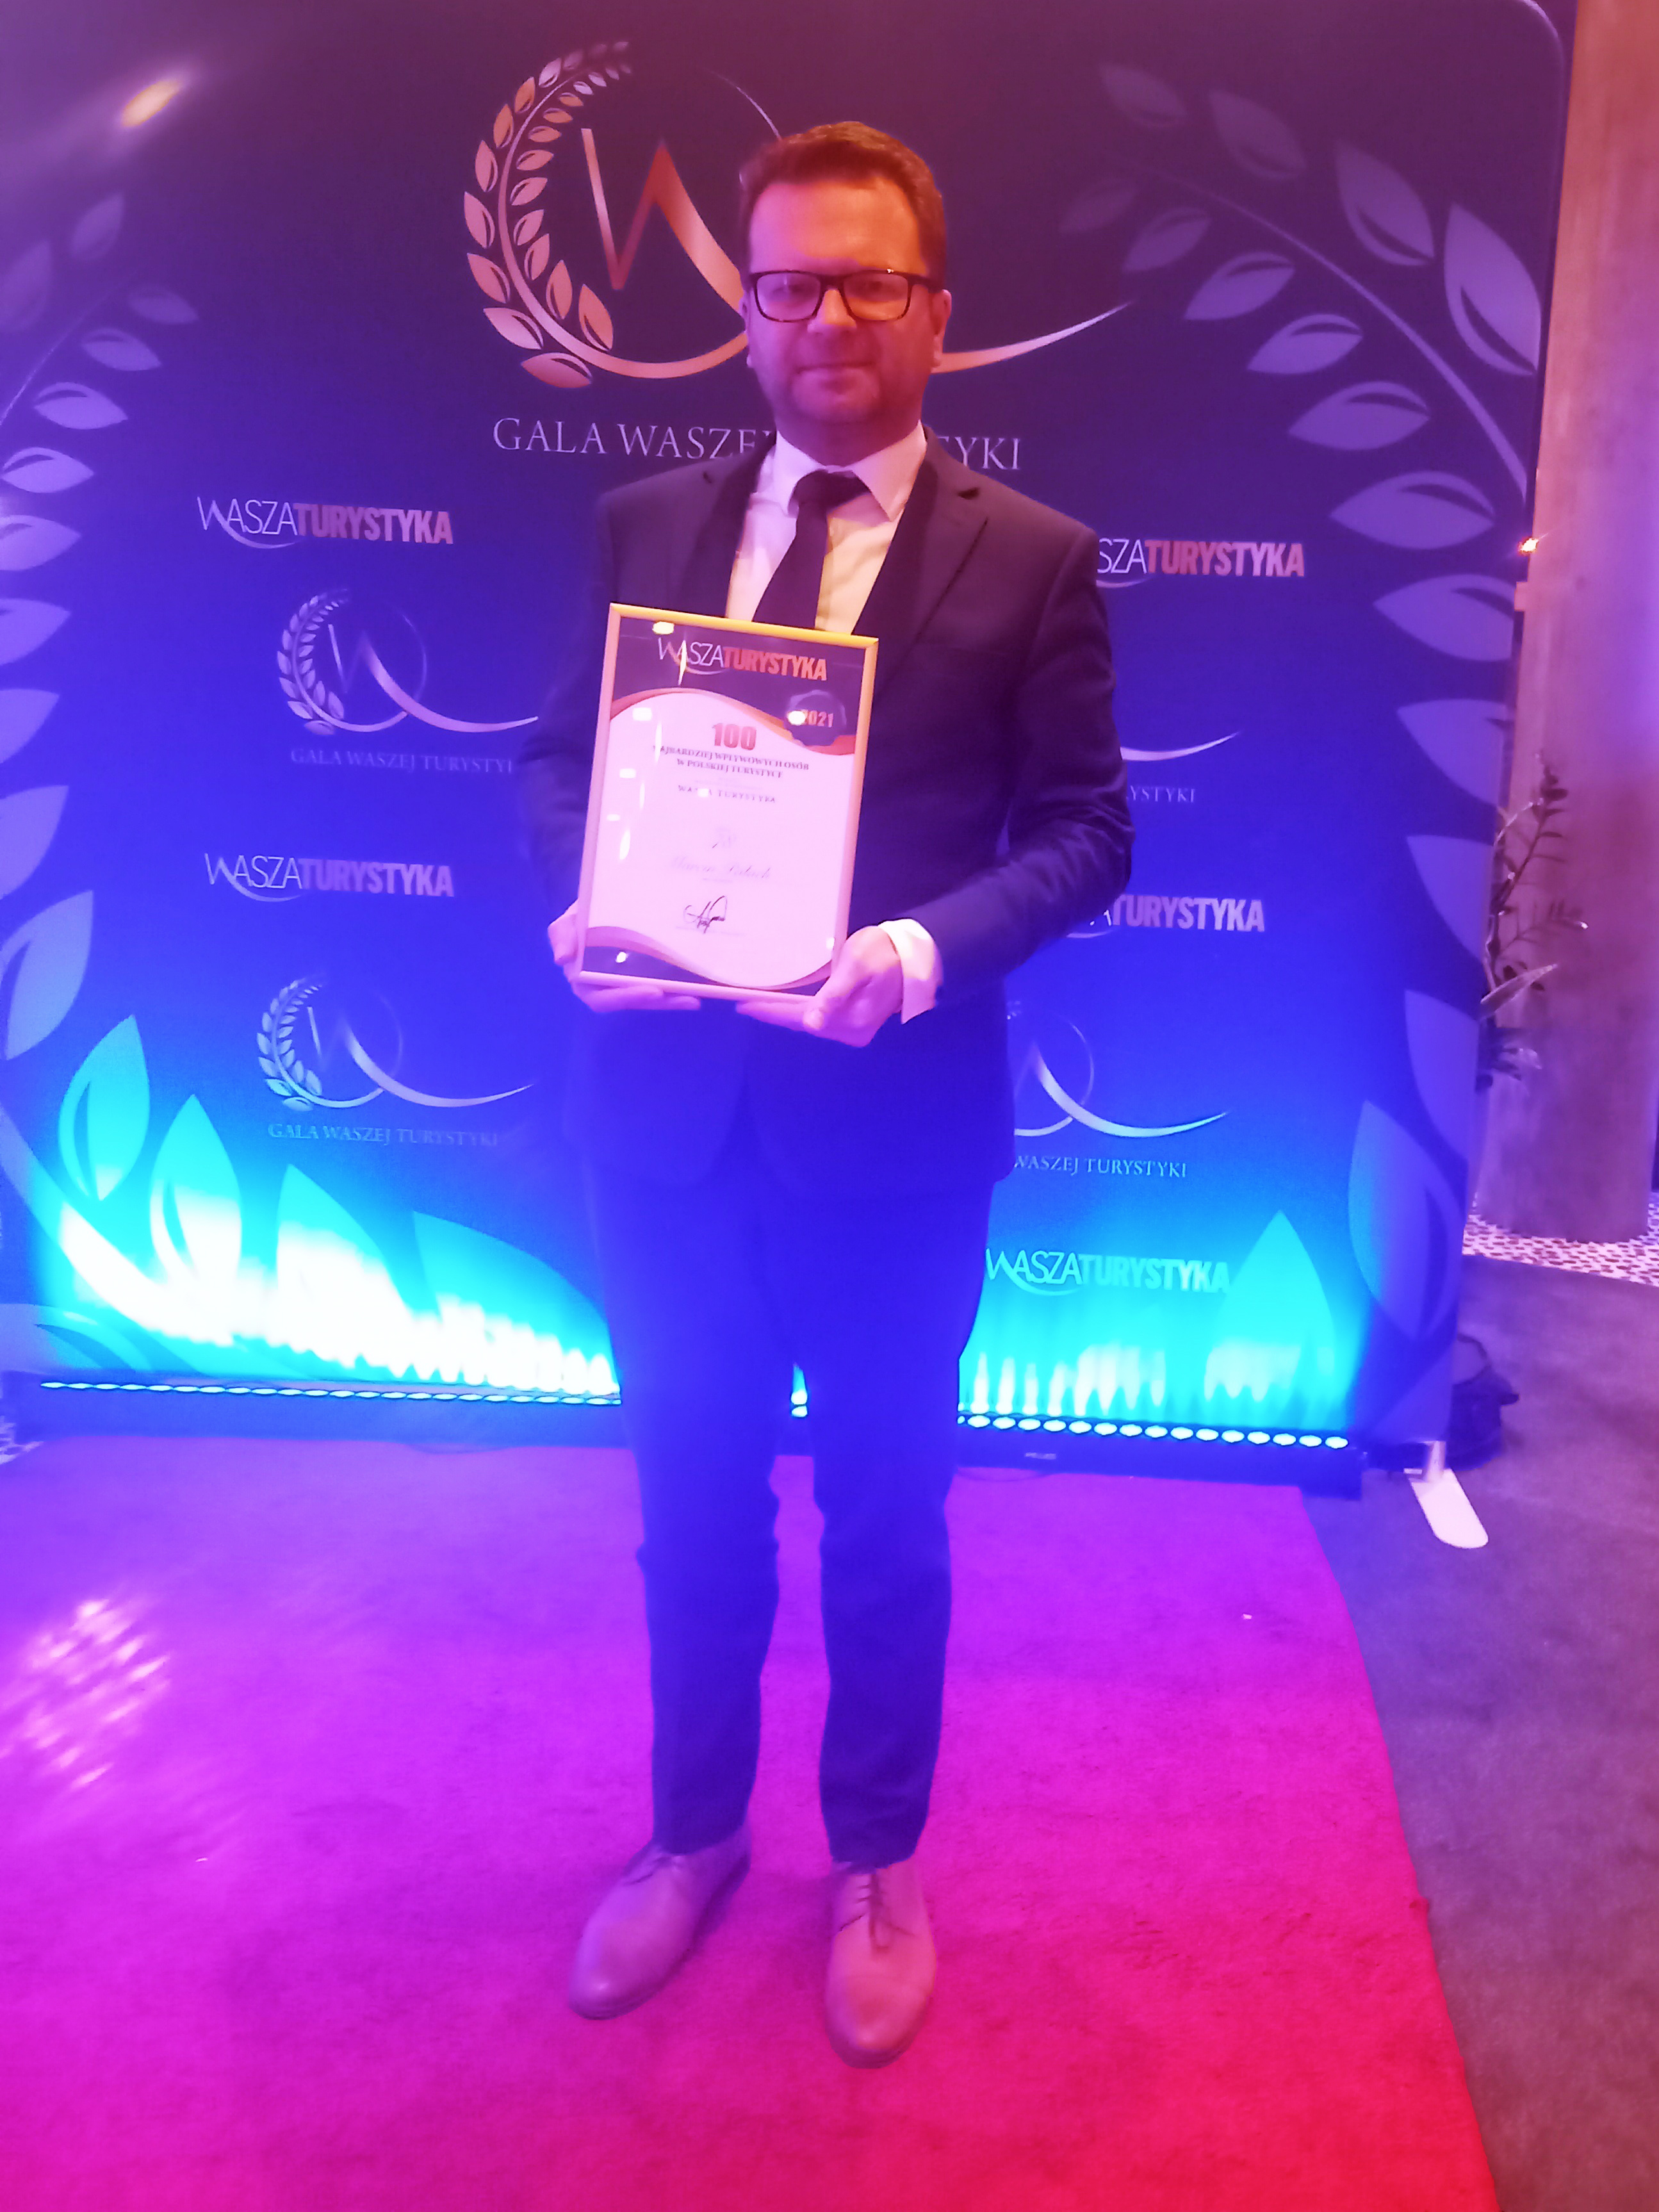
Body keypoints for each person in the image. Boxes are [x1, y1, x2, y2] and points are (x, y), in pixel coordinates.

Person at [518, 121, 1132, 2067]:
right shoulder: (643, 527)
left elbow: (1090, 833)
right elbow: (557, 763)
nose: (827, 319)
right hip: (666, 1129)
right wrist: (580, 893)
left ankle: (876, 1859)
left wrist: (922, 951)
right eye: (789, 284)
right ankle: (693, 1832)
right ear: (751, 315)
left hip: (894, 1135)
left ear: (937, 313)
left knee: (883, 1517)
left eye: (870, 281)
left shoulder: (1034, 559)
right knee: (690, 1506)